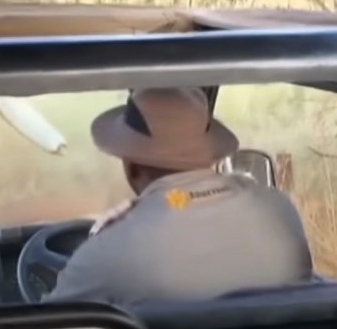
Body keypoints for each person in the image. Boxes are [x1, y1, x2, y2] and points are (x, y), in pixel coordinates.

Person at [42, 86, 314, 305]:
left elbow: (50, 323)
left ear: (130, 163)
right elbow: (186, 200)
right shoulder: (278, 210)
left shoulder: (109, 252)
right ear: (209, 153)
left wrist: (112, 231)